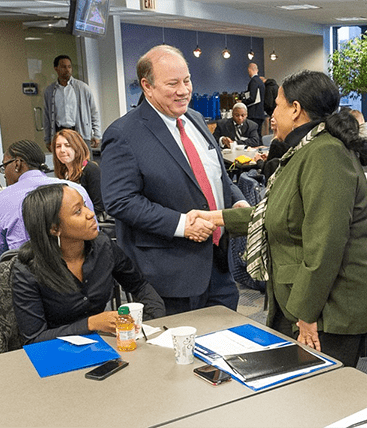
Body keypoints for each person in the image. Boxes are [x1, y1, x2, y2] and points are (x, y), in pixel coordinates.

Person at [189, 70, 367, 367]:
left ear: (296, 109)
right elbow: (276, 212)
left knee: (321, 398)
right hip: (299, 297)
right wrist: (215, 217)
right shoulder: (305, 151)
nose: (271, 114)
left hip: (328, 310)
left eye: (276, 106)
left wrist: (306, 315)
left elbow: (325, 244)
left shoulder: (326, 155)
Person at [100, 45, 247, 316]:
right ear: (147, 86)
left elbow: (219, 176)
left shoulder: (196, 119)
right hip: (170, 276)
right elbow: (120, 200)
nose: (183, 90)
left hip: (219, 266)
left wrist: (236, 202)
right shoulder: (124, 133)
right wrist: (182, 225)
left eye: (187, 80)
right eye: (172, 83)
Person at [12, 184, 165, 344]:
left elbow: (139, 286)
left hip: (104, 344)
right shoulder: (26, 270)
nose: (90, 214)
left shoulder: (103, 245)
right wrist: (92, 323)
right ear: (55, 228)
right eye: (78, 211)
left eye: (84, 205)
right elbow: (34, 339)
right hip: (56, 354)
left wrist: (153, 324)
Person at [0, 140, 94, 265]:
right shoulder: (75, 189)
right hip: (79, 271)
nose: (4, 174)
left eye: (4, 166)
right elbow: (93, 235)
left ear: (17, 164)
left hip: (24, 276)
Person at [43, 55, 101, 154]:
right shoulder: (50, 91)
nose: (67, 70)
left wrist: (97, 134)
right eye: (64, 67)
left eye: (69, 67)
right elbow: (47, 117)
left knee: (85, 164)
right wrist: (48, 139)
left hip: (80, 133)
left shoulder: (82, 88)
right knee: (64, 163)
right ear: (56, 68)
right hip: (60, 133)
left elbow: (93, 112)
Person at [52, 129, 105, 218]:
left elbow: (99, 207)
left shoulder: (91, 169)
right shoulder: (63, 173)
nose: (62, 150)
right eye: (58, 146)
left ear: (77, 148)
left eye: (67, 145)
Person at [242, 63, 265, 140]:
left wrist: (242, 102)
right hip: (260, 113)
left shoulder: (253, 81)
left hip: (254, 114)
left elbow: (252, 98)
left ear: (249, 70)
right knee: (258, 135)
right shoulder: (260, 81)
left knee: (253, 137)